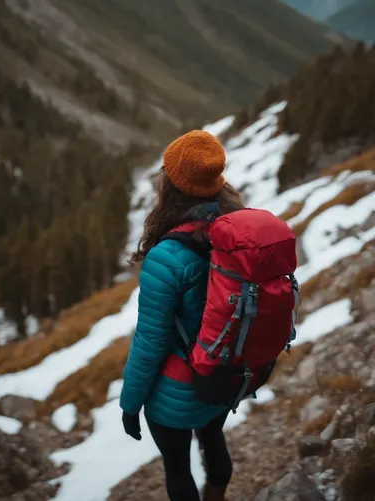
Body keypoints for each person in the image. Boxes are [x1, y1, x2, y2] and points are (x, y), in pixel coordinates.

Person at [120, 130, 244, 501]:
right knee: (212, 436)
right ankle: (217, 495)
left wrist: (130, 405)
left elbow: (151, 340)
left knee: (178, 469)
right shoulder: (235, 230)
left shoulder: (167, 256)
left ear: (171, 183)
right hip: (223, 376)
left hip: (179, 387)